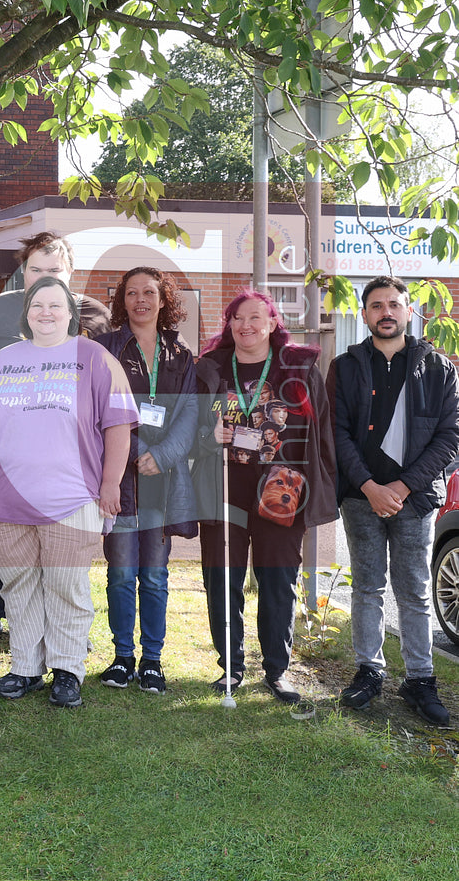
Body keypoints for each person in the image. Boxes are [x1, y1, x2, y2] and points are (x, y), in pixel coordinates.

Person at [0, 277, 135, 708]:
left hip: (71, 499)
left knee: (65, 586)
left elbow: (118, 424)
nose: (46, 312)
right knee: (18, 586)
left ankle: (67, 670)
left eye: (55, 305)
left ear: (70, 314)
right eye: (37, 305)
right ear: (26, 313)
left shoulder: (95, 358)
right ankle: (25, 668)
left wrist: (110, 484)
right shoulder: (3, 360)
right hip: (4, 498)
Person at [0, 231, 111, 654]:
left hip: (67, 459)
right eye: (36, 269)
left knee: (64, 548)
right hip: (2, 454)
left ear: (71, 272)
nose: (45, 277)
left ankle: (65, 629)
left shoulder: (94, 316)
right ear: (22, 272)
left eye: (55, 270)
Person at [330, 276, 458, 726]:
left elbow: (449, 437)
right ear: (364, 314)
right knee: (367, 587)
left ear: (408, 311)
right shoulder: (345, 367)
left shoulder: (439, 369)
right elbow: (337, 434)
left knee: (415, 591)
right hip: (360, 498)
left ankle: (420, 680)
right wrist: (369, 487)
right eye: (376, 305)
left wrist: (401, 488)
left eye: (394, 304)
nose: (386, 312)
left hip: (415, 500)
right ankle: (369, 672)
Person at [197, 290, 336, 704]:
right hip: (225, 486)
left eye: (256, 317)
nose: (247, 325)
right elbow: (188, 424)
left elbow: (321, 430)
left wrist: (320, 485)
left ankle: (277, 671)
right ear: (229, 324)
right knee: (223, 579)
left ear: (273, 322)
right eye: (238, 318)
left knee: (278, 581)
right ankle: (231, 667)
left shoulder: (298, 368)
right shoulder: (210, 369)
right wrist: (208, 433)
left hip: (282, 490)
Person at [94, 268, 198, 694]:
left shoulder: (181, 352)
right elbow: (98, 409)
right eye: (132, 293)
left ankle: (152, 660)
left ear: (163, 299)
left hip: (163, 481)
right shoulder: (106, 348)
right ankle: (122, 657)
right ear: (122, 301)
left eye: (149, 292)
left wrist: (164, 455)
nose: (141, 300)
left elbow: (190, 411)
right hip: (119, 478)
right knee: (120, 573)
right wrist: (137, 452)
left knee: (154, 576)